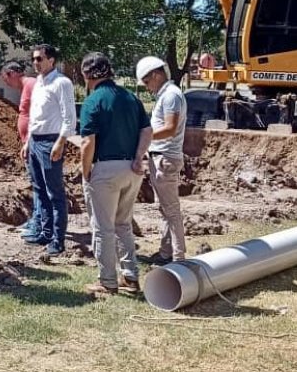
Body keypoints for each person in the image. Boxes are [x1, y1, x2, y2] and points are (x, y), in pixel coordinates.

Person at [79, 52, 152, 295]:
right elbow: (147, 130)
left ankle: (107, 280)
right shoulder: (130, 97)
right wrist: (139, 157)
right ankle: (130, 277)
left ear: (87, 75)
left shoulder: (93, 101)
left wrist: (85, 170)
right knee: (123, 224)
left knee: (102, 227)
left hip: (105, 169)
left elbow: (88, 142)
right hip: (132, 169)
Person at [24, 44, 76, 256]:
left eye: (39, 59)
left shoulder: (61, 83)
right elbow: (35, 116)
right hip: (35, 141)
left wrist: (61, 142)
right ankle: (44, 233)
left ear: (51, 60)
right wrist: (28, 141)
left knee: (55, 192)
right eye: (34, 59)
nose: (35, 63)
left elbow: (69, 117)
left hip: (50, 141)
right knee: (39, 189)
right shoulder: (38, 83)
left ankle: (57, 239)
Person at [136, 55, 187, 265]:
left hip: (165, 158)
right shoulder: (166, 95)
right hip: (161, 157)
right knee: (166, 209)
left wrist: (144, 136)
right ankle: (166, 253)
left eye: (147, 82)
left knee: (171, 211)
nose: (147, 87)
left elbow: (170, 128)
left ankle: (178, 258)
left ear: (156, 75)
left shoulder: (171, 96)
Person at [0, 60, 42, 239]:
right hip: (29, 143)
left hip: (33, 143)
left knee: (39, 185)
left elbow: (38, 116)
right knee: (35, 184)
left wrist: (29, 141)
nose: (6, 83)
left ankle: (39, 223)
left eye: (5, 79)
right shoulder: (26, 87)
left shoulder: (31, 85)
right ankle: (36, 219)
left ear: (12, 73)